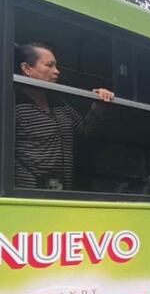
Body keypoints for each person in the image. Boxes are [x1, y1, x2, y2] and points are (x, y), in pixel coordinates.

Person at [13, 42, 115, 190]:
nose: (57, 71)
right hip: (29, 192)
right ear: (26, 69)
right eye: (49, 65)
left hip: (61, 191)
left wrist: (100, 102)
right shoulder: (14, 103)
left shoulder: (58, 103)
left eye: (56, 66)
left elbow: (85, 129)